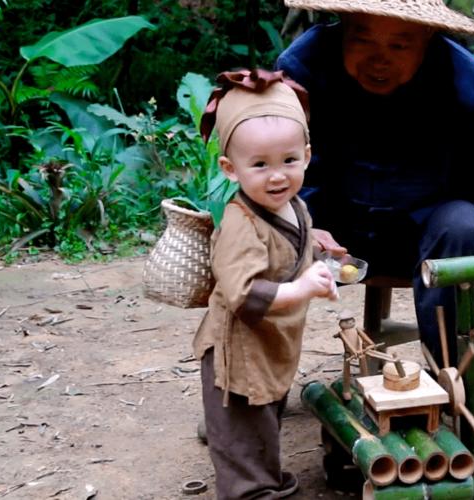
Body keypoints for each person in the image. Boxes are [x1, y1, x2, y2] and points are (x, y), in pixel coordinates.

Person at [276, 0, 474, 369]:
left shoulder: (463, 78)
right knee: (260, 231)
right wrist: (303, 220)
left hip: (429, 237)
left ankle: (455, 372)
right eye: (363, 40)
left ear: (429, 36)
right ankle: (251, 397)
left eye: (399, 45)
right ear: (343, 24)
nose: (379, 59)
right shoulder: (304, 66)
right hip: (332, 235)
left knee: (463, 224)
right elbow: (267, 163)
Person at [192, 69, 337, 499]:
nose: (277, 176)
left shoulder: (294, 206)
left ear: (307, 155)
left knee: (262, 420)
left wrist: (323, 258)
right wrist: (305, 288)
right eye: (259, 165)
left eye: (289, 160)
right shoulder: (240, 223)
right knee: (243, 434)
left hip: (270, 343)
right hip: (238, 350)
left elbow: (296, 248)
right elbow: (245, 292)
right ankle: (250, 493)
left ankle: (259, 475)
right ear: (230, 168)